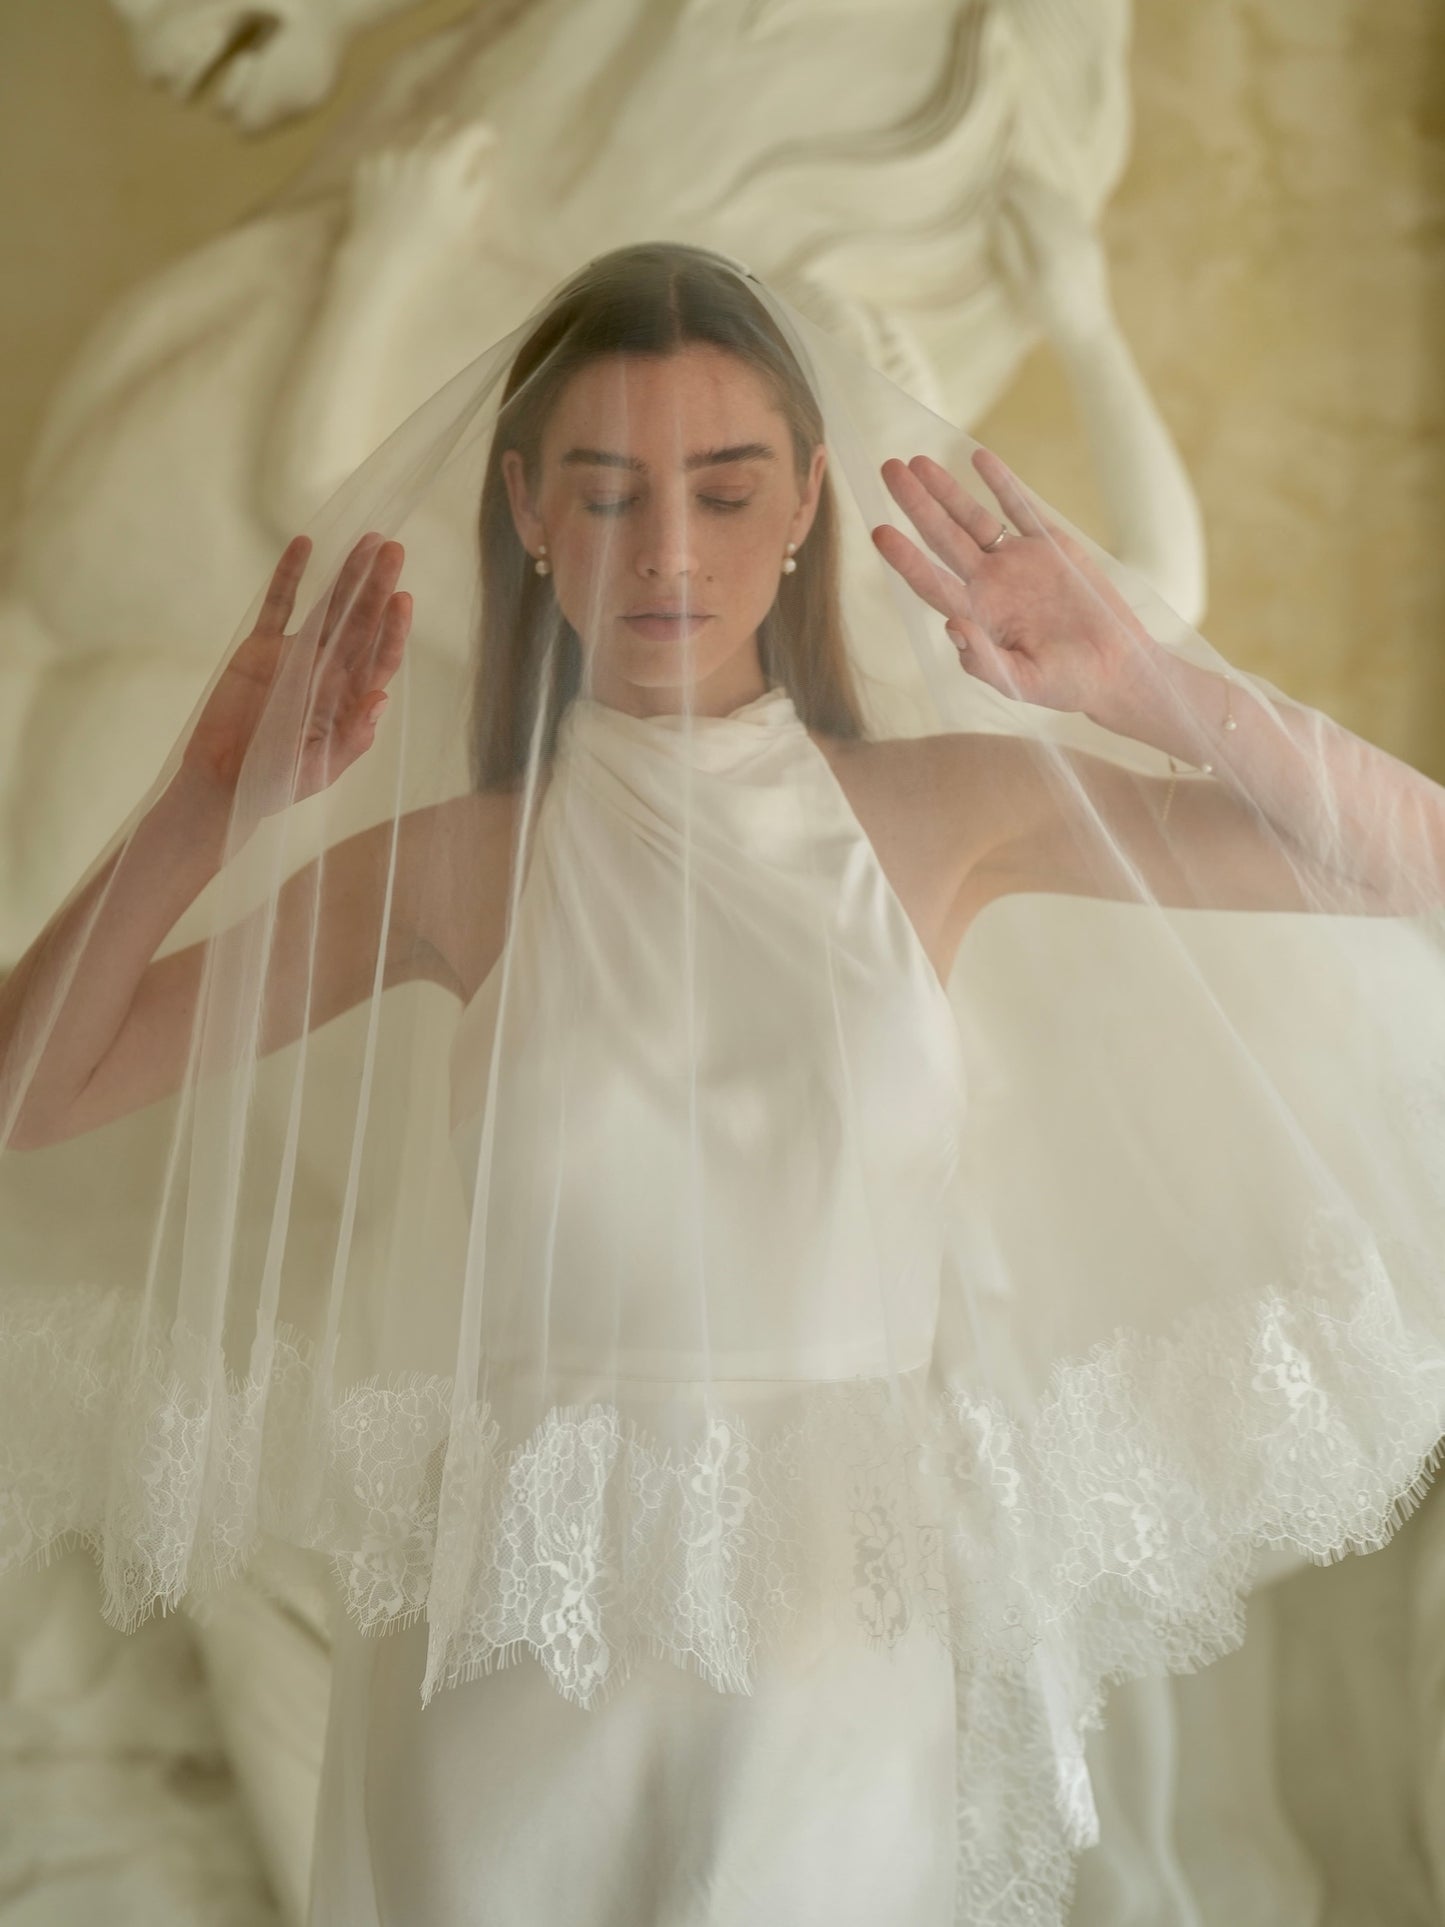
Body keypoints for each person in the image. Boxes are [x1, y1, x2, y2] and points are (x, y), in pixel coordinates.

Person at [3, 242, 1444, 1925]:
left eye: (723, 485)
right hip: (508, 1693)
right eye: (608, 495)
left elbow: (1410, 863)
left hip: (831, 1670)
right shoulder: (463, 867)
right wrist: (206, 803)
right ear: (529, 513)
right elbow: (31, 1091)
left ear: (807, 502)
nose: (669, 551)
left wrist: (1139, 686)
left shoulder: (940, 814)